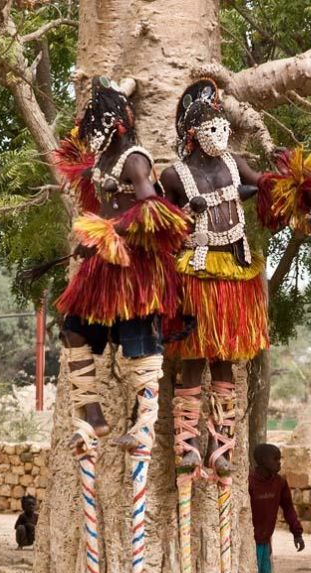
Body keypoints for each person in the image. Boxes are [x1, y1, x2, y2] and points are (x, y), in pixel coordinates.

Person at [161, 79, 311, 477]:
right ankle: (187, 444)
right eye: (211, 127)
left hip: (238, 273)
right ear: (192, 134)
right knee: (193, 360)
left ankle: (220, 447)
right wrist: (184, 216)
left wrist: (306, 192)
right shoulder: (174, 176)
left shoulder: (234, 164)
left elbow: (266, 185)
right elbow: (158, 223)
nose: (221, 133)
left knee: (226, 362)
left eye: (223, 125)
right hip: (198, 274)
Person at [53, 76, 188, 455]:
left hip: (134, 271)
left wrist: (110, 230)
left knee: (140, 346)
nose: (88, 131)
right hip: (102, 269)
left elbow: (152, 206)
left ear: (114, 123)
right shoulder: (103, 160)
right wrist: (92, 240)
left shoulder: (135, 160)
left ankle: (143, 425)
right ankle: (93, 415)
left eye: (95, 123)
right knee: (73, 330)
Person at [249, 443, 305, 573]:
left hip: (265, 541)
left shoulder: (279, 483)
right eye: (276, 459)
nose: (279, 463)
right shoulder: (249, 482)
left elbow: (288, 508)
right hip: (249, 541)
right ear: (263, 461)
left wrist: (297, 532)